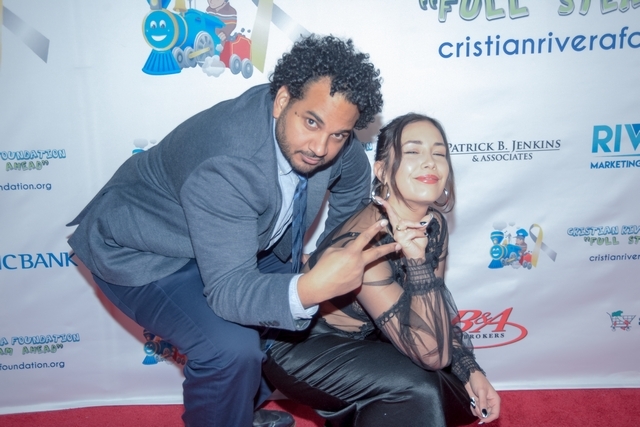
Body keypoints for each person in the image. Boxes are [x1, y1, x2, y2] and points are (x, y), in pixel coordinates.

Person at [66, 35, 396, 427]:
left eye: (339, 134)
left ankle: (237, 413)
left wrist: (331, 252)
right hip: (144, 247)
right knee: (229, 350)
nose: (321, 147)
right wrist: (313, 286)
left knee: (287, 319)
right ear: (282, 100)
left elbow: (353, 184)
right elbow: (228, 291)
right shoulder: (230, 161)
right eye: (311, 122)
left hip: (232, 234)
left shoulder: (330, 137)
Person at [263, 113, 501, 426]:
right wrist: (416, 261)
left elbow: (434, 310)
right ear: (382, 171)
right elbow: (432, 355)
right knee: (420, 386)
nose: (429, 163)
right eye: (413, 151)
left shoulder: (435, 224)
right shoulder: (366, 242)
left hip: (369, 337)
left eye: (439, 153)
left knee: (454, 385)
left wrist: (470, 370)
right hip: (303, 346)